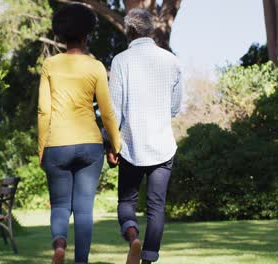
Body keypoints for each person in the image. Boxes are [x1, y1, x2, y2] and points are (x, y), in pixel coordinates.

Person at [38, 4, 121, 264]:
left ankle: (60, 245)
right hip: (90, 145)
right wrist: (115, 145)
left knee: (61, 205)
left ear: (61, 36)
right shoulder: (95, 67)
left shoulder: (50, 65)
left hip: (57, 144)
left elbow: (43, 111)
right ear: (86, 36)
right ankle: (81, 261)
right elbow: (106, 112)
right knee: (84, 210)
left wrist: (42, 147)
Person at [107, 8, 183, 264]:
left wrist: (110, 144)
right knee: (156, 207)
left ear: (129, 30)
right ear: (151, 29)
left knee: (126, 201)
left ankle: (133, 238)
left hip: (130, 145)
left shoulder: (120, 61)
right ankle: (148, 259)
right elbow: (174, 108)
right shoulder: (171, 60)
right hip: (162, 146)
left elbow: (114, 111)